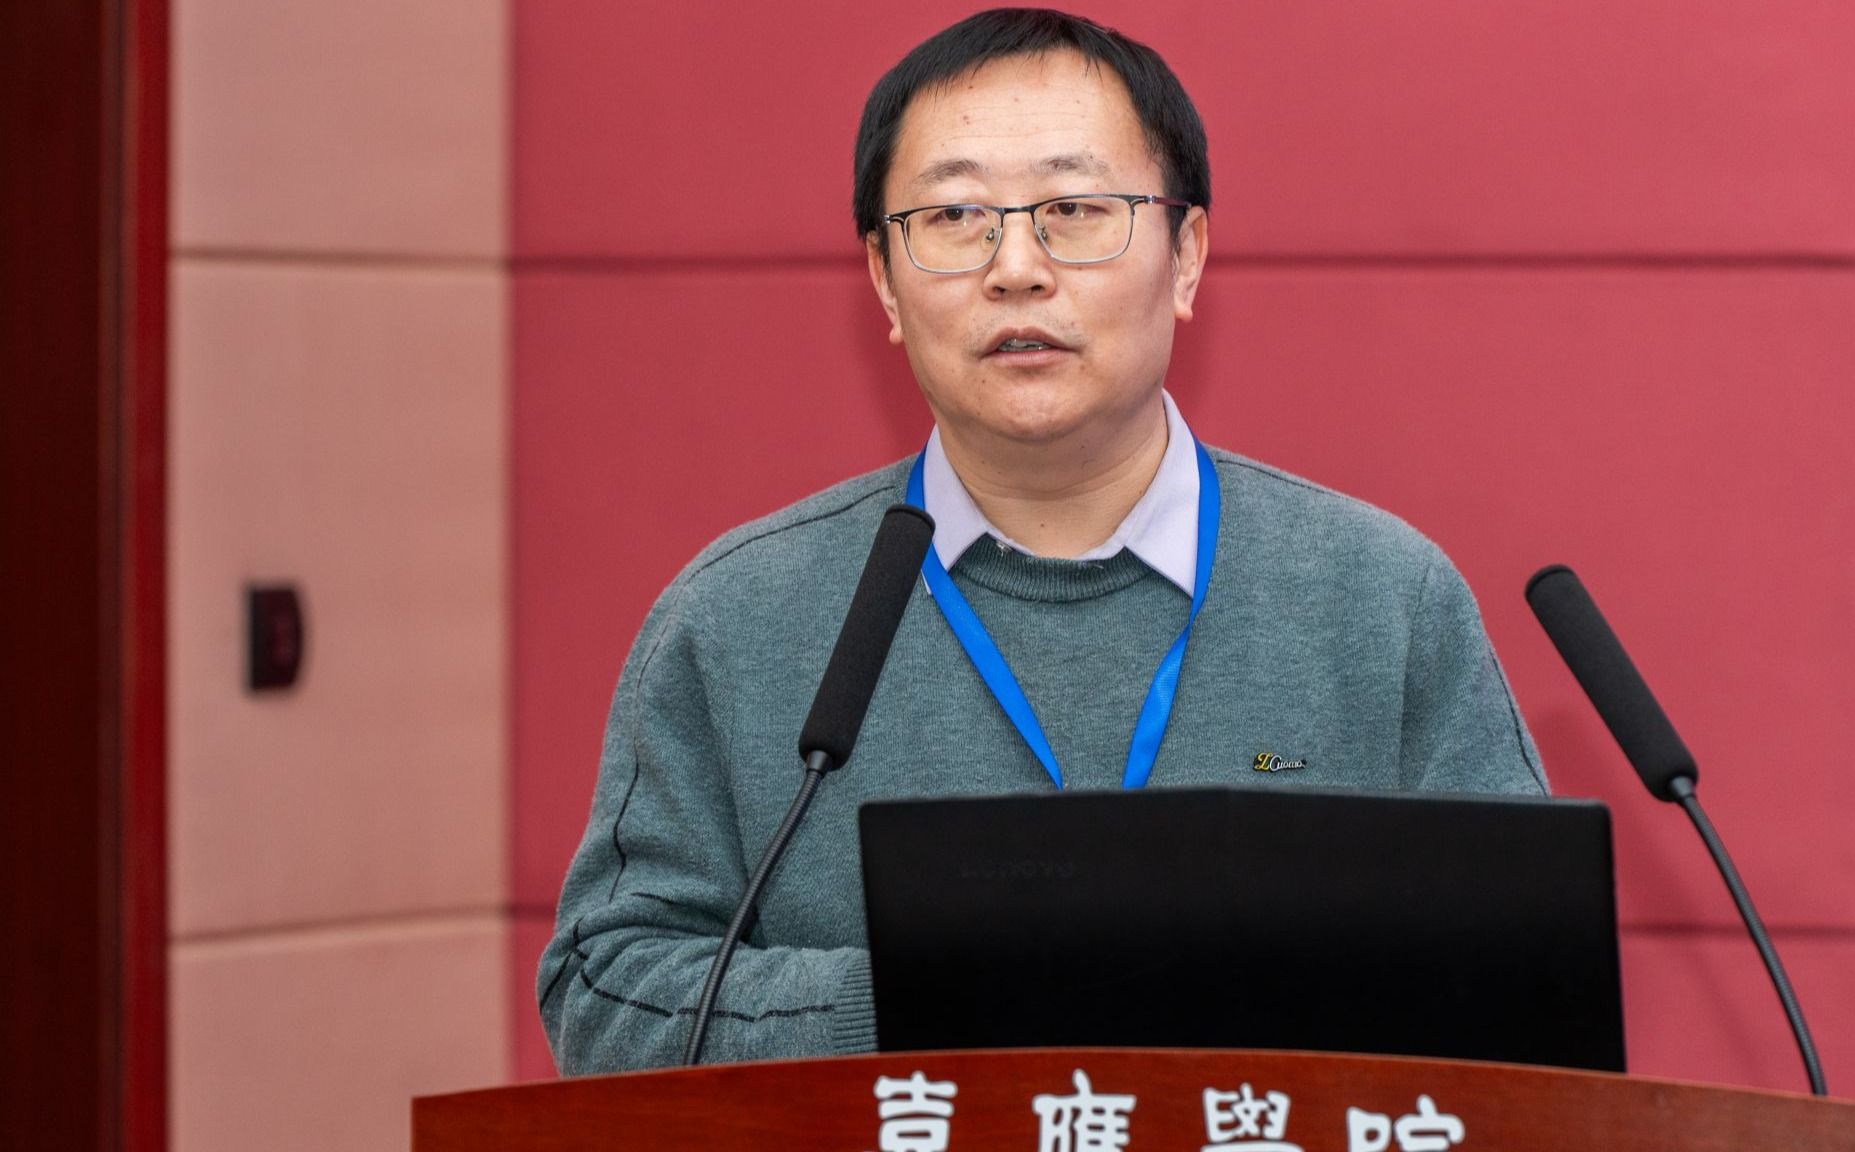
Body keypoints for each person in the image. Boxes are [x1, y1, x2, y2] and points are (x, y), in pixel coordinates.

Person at [539, 8, 1546, 1073]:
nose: (1015, 267)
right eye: (953, 215)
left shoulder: (1381, 600)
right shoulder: (739, 618)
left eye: (1073, 209)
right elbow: (606, 995)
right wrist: (939, 998)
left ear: (1186, 256)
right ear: (884, 279)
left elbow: (1529, 979)